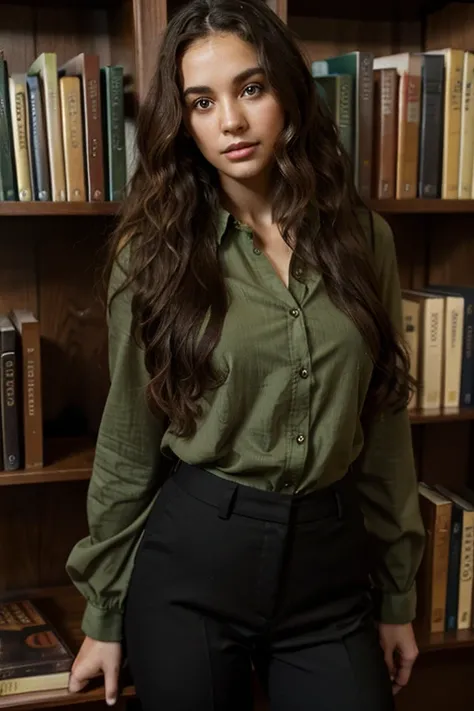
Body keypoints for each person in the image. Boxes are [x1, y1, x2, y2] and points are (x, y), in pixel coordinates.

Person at [66, 1, 425, 709]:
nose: (230, 121)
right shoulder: (152, 257)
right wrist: (104, 612)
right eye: (202, 102)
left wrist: (397, 594)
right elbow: (128, 443)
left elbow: (383, 425)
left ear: (288, 91)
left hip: (329, 569)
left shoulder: (364, 239)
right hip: (194, 564)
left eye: (250, 88)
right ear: (182, 120)